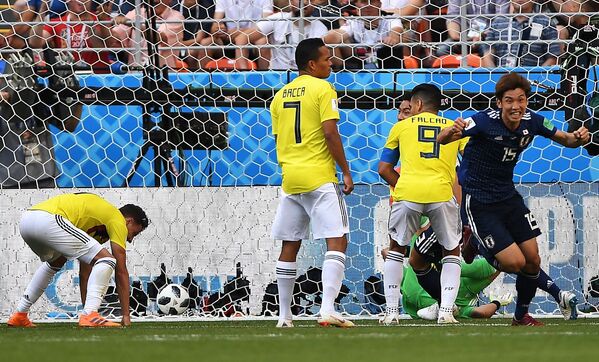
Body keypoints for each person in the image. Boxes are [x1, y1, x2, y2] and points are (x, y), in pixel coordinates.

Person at [437, 72, 588, 326]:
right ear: (499, 103)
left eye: (521, 100)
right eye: (509, 101)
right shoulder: (483, 122)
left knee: (533, 260)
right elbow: (443, 139)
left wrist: (579, 137)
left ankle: (520, 317)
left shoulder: (535, 121)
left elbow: (567, 139)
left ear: (526, 101)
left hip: (508, 197)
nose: (515, 106)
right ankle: (478, 243)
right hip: (480, 202)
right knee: (515, 262)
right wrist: (453, 129)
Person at [270, 37, 354, 328]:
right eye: (327, 58)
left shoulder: (279, 96)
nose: (331, 63)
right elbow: (330, 132)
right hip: (319, 177)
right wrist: (345, 170)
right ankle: (327, 309)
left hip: (291, 179)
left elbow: (279, 139)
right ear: (312, 64)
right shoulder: (323, 88)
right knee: (337, 239)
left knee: (289, 245)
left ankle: (284, 317)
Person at [378, 83, 463, 324]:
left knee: (396, 250)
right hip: (441, 194)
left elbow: (383, 169)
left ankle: (392, 313)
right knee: (451, 250)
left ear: (417, 104)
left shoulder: (401, 127)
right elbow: (468, 166)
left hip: (408, 194)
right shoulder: (453, 128)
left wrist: (404, 183)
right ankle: (446, 312)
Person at [7, 193, 148, 327]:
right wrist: (126, 315)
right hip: (47, 219)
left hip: (27, 222)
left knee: (55, 263)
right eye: (134, 233)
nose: (130, 239)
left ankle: (20, 314)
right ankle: (90, 315)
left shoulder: (96, 223)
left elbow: (85, 273)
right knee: (108, 260)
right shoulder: (117, 218)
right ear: (128, 221)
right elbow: (121, 271)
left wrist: (87, 309)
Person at [381, 222, 515, 320]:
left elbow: (386, 252)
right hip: (417, 303)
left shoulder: (468, 285)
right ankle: (441, 306)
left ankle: (393, 310)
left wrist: (403, 254)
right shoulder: (467, 294)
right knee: (453, 264)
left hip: (414, 291)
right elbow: (481, 313)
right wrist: (497, 302)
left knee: (445, 260)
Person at [235, 0, 329, 70]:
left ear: (315, 4)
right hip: (277, 77)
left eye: (310, 0)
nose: (304, 2)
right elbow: (242, 38)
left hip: (305, 79)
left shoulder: (320, 28)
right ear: (290, 1)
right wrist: (244, 72)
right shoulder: (278, 19)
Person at [481, 0, 560, 67]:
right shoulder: (498, 22)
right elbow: (487, 56)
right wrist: (497, 79)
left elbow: (553, 57)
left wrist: (537, 78)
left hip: (533, 81)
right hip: (503, 80)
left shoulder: (545, 22)